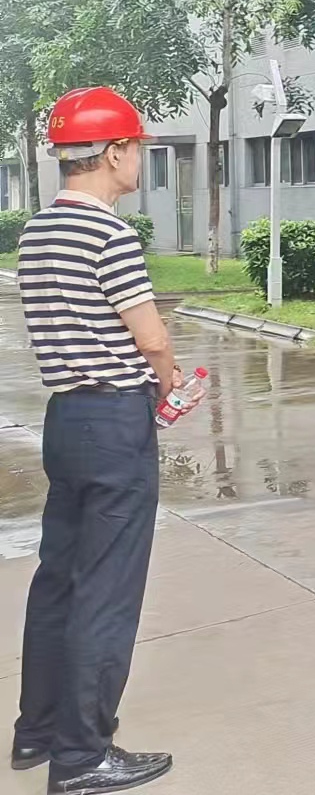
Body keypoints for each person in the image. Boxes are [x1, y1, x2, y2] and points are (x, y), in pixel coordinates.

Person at [12, 88, 178, 793]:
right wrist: (167, 383)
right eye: (135, 147)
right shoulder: (110, 234)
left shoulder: (37, 231)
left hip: (66, 419)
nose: (138, 159)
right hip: (114, 421)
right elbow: (152, 337)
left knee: (60, 578)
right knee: (107, 591)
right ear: (113, 152)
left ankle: (39, 730)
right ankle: (82, 756)